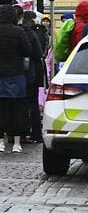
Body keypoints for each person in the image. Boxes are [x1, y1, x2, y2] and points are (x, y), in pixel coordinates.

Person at [0, 5, 35, 154]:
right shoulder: (19, 31)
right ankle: (16, 143)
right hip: (16, 75)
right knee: (18, 110)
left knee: (1, 109)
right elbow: (28, 51)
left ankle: (0, 142)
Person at [20, 10, 46, 144]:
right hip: (33, 72)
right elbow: (39, 53)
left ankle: (24, 133)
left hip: (25, 72)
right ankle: (35, 133)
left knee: (24, 104)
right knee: (33, 103)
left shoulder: (25, 32)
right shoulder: (34, 33)